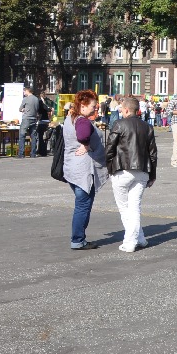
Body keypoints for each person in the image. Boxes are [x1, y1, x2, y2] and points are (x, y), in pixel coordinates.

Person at [104, 96, 157, 253]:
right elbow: (153, 153)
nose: (121, 110)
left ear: (126, 110)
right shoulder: (148, 127)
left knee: (124, 208)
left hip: (122, 170)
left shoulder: (119, 124)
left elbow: (109, 149)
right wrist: (152, 175)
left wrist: (109, 168)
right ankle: (140, 238)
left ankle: (130, 242)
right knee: (134, 207)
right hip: (142, 171)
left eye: (121, 108)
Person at [62, 90, 109, 250]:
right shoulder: (82, 121)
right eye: (93, 106)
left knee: (81, 204)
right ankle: (78, 240)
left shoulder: (70, 118)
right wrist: (86, 144)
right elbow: (82, 135)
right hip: (83, 171)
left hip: (72, 168)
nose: (95, 109)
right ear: (83, 105)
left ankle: (78, 238)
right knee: (83, 205)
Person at [18, 86, 43, 158]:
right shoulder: (36, 99)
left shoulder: (25, 99)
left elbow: (20, 109)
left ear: (27, 91)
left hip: (26, 118)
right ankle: (33, 153)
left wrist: (23, 110)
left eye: (24, 91)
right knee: (33, 136)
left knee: (22, 135)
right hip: (34, 119)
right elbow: (37, 108)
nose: (24, 93)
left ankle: (21, 153)